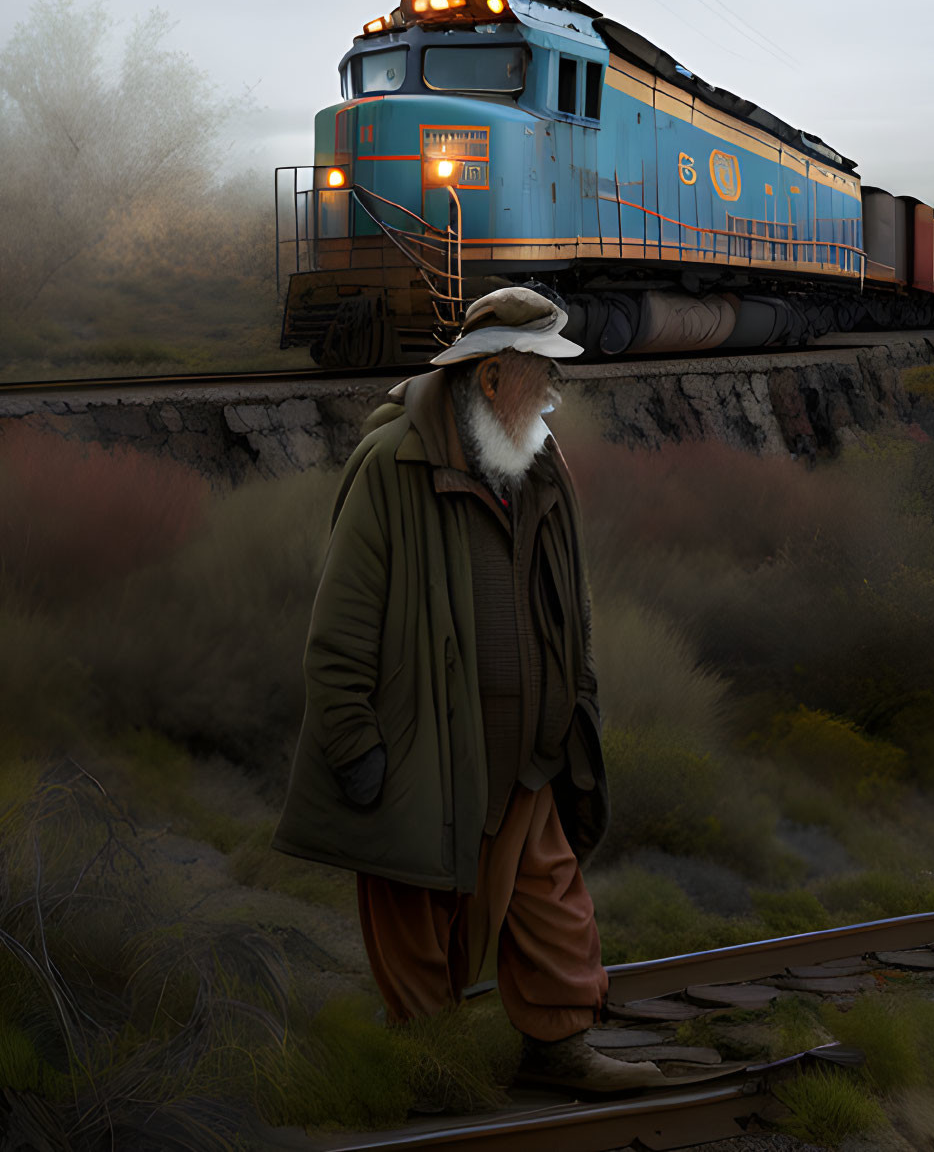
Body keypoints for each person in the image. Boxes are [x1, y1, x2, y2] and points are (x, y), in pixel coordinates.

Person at [272, 287, 660, 1091]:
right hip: (424, 752)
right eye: (540, 374)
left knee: (550, 901)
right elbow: (338, 629)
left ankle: (560, 1051)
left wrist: (575, 699)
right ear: (489, 378)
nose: (554, 392)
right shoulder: (390, 467)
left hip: (528, 754)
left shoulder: (539, 464)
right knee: (416, 920)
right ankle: (430, 1068)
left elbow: (567, 599)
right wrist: (354, 745)